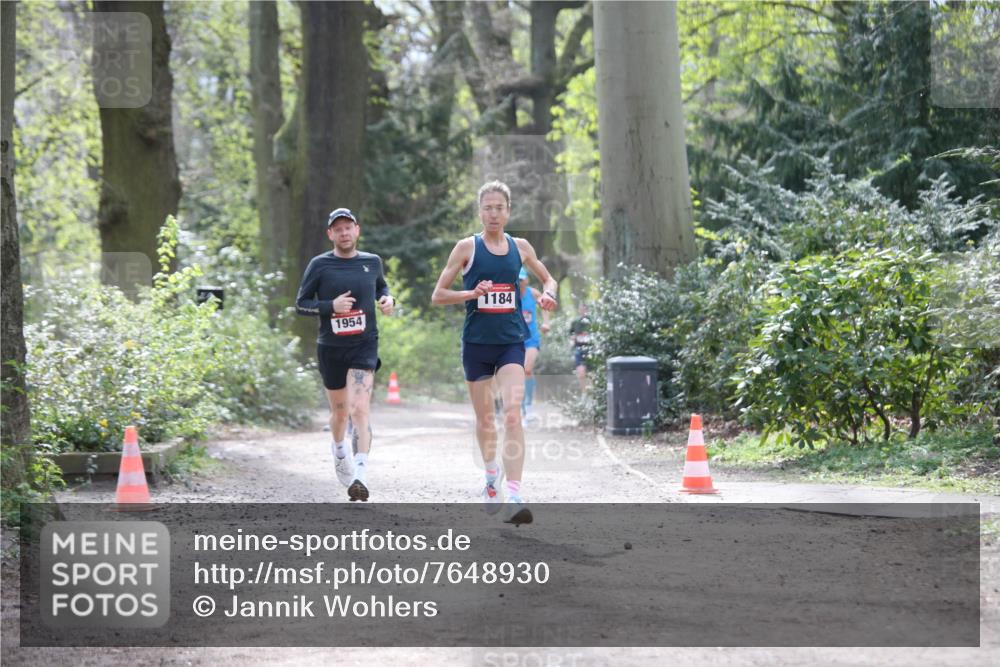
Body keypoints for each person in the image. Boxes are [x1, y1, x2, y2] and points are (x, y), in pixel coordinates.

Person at [431, 181, 558, 525]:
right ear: (480, 211)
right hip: (476, 345)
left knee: (513, 413)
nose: (493, 213)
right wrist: (471, 293)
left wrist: (548, 294)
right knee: (486, 419)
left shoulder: (521, 247)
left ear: (508, 211)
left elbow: (549, 280)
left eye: (499, 207)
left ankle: (515, 494)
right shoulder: (466, 248)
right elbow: (438, 295)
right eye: (487, 207)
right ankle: (491, 478)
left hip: (511, 342)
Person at [296, 207, 395, 502]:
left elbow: (382, 288)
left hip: (364, 344)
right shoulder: (319, 265)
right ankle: (340, 450)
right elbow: (301, 303)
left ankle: (360, 475)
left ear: (357, 230)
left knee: (360, 409)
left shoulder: (372, 262)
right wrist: (329, 306)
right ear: (330, 234)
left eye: (348, 227)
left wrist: (388, 299)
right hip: (331, 348)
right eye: (338, 229)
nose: (344, 233)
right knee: (340, 412)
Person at [518, 267, 551, 425]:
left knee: (527, 370)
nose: (519, 283)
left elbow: (545, 304)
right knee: (515, 375)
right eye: (517, 280)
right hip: (514, 340)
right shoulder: (509, 295)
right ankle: (517, 407)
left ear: (526, 280)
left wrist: (546, 322)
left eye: (521, 279)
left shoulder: (533, 293)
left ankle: (528, 407)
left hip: (531, 339)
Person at [570, 302, 591, 391]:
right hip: (578, 349)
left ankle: (592, 394)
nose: (582, 311)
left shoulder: (592, 321)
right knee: (581, 373)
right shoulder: (575, 322)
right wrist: (573, 337)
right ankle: (584, 393)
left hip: (591, 350)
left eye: (584, 309)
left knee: (591, 374)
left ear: (587, 310)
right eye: (581, 309)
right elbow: (570, 335)